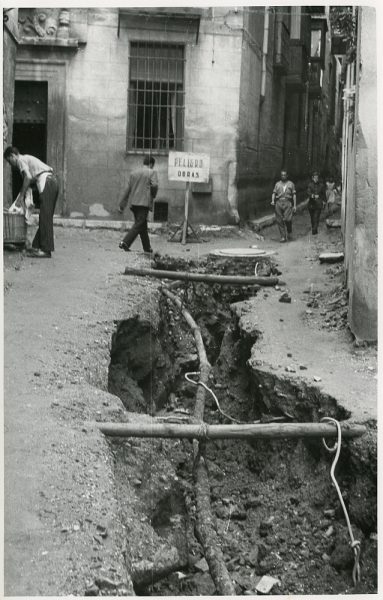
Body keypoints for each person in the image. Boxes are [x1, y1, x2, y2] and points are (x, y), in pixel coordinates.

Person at [4, 146, 59, 258]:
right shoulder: (27, 159)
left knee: (45, 217)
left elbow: (28, 178)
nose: (11, 165)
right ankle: (38, 246)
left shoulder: (20, 160)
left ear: (12, 156)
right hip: (52, 182)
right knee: (45, 217)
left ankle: (45, 250)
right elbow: (31, 180)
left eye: (10, 162)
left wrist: (20, 197)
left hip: (47, 182)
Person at [118, 155, 158, 254]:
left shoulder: (133, 173)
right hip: (144, 203)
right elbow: (155, 185)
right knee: (139, 224)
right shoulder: (152, 172)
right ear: (151, 164)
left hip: (134, 203)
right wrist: (153, 194)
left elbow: (127, 190)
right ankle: (125, 242)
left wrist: (122, 204)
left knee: (142, 226)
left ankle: (147, 248)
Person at [271, 169, 297, 242]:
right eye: (282, 175)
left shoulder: (291, 184)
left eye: (284, 175)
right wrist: (273, 201)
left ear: (287, 175)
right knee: (279, 220)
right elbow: (274, 193)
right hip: (279, 202)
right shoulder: (277, 184)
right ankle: (283, 236)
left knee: (288, 219)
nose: (283, 176)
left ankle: (289, 231)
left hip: (288, 202)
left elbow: (294, 195)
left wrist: (295, 205)